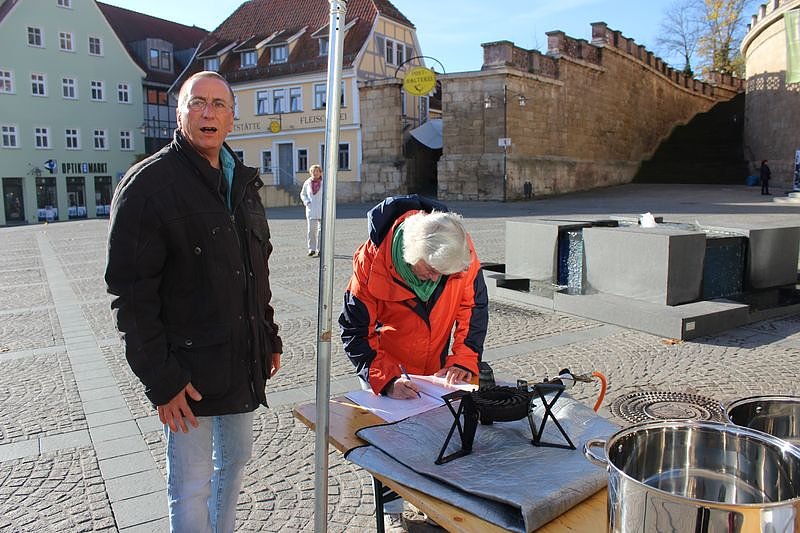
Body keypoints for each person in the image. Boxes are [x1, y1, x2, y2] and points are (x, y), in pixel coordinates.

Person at [105, 71, 282, 533]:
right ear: (178, 113)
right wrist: (162, 382)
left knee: (236, 464)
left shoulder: (241, 182)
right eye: (197, 103)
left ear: (232, 117)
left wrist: (268, 335)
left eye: (219, 105)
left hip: (240, 360)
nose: (209, 113)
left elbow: (254, 270)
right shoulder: (149, 185)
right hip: (185, 376)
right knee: (191, 484)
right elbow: (131, 293)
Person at [338, 195, 488, 531]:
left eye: (443, 273)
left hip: (433, 364)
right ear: (411, 255)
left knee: (436, 436)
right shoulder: (372, 263)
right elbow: (355, 331)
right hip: (385, 363)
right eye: (430, 271)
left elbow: (472, 308)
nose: (436, 278)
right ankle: (392, 512)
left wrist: (463, 359)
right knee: (391, 445)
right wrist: (386, 379)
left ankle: (431, 504)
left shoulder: (458, 250)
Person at [300, 164, 323, 256]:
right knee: (311, 230)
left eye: (317, 171)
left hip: (322, 209)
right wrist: (306, 202)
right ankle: (311, 249)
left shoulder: (324, 182)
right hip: (311, 209)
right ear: (310, 173)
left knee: (322, 231)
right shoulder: (307, 183)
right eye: (313, 171)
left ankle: (321, 249)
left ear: (320, 172)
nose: (315, 173)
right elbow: (303, 194)